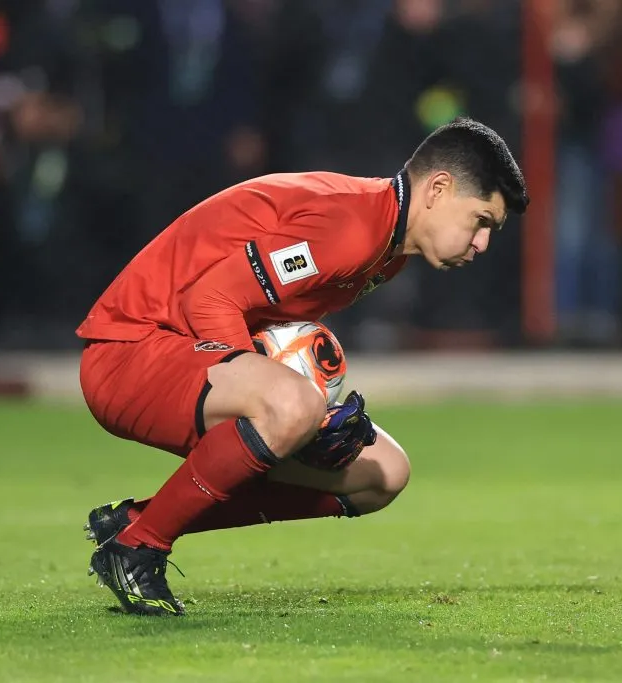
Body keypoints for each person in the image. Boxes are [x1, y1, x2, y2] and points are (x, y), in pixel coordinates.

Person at [76, 117, 529, 616]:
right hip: (129, 354)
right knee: (293, 408)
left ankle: (137, 521)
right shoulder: (354, 226)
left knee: (383, 473)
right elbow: (210, 300)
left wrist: (305, 415)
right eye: (482, 221)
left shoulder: (386, 245)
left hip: (182, 356)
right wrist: (289, 403)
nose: (482, 243)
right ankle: (141, 546)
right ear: (438, 189)